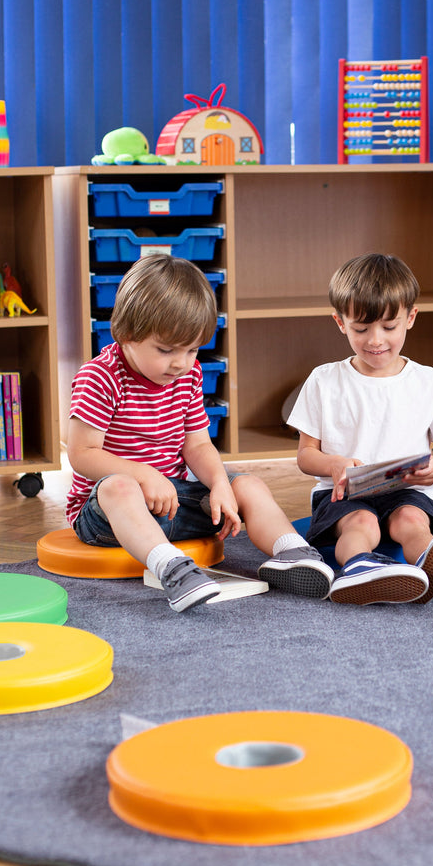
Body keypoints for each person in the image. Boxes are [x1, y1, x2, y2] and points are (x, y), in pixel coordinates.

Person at [66, 254, 333, 611]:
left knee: (246, 483)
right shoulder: (100, 377)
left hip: (173, 507)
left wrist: (220, 483)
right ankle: (172, 570)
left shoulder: (187, 377)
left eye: (192, 349)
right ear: (126, 334)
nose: (181, 362)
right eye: (166, 350)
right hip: (106, 515)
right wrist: (143, 475)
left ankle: (293, 553)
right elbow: (81, 454)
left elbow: (198, 445)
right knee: (120, 486)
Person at [287, 252, 433, 605]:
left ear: (411, 318)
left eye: (389, 327)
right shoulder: (324, 380)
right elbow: (305, 455)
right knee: (362, 524)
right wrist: (333, 464)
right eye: (361, 328)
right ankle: (358, 568)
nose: (375, 340)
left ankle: (428, 565)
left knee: (410, 521)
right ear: (340, 322)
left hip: (409, 490)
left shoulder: (429, 381)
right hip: (344, 493)